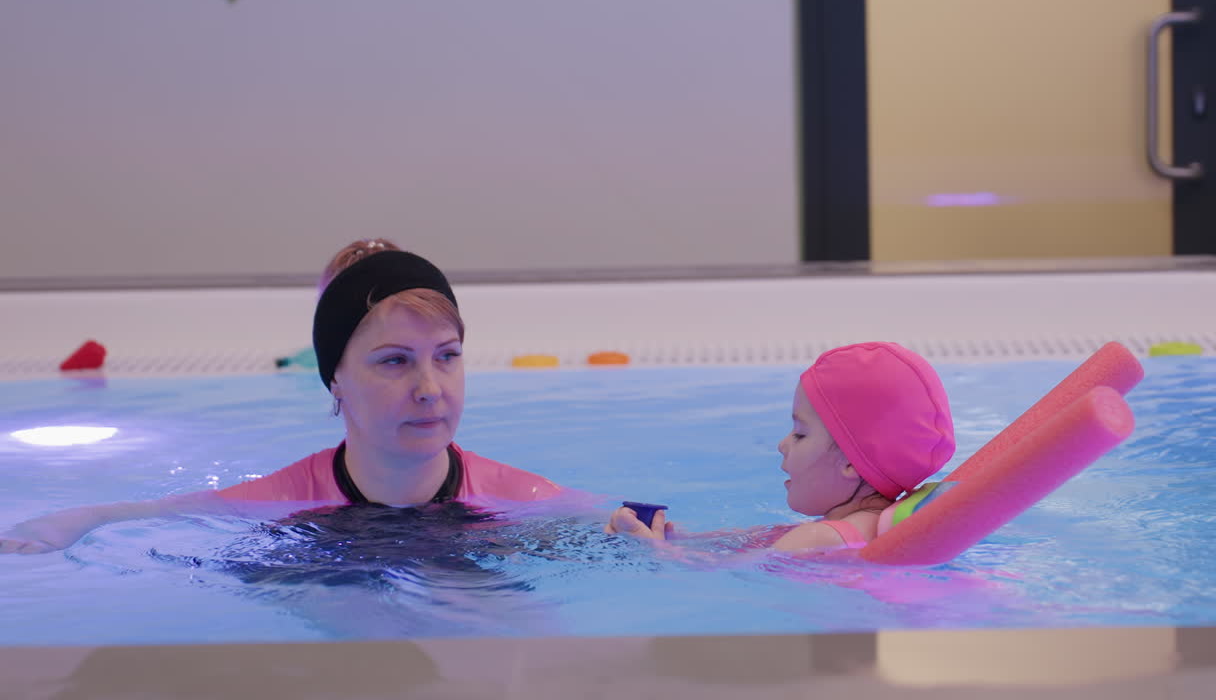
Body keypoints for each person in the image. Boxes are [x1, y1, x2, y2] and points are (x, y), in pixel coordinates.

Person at [0, 239, 563, 554]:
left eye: (447, 356)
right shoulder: (290, 500)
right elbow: (138, 513)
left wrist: (648, 534)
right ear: (334, 378)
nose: (429, 390)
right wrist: (56, 528)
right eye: (395, 361)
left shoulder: (517, 495)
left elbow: (624, 521)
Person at [605, 342, 955, 552]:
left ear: (851, 463)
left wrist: (652, 553)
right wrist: (689, 542)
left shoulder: (817, 537)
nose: (782, 444)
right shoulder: (860, 529)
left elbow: (720, 583)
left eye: (800, 434)